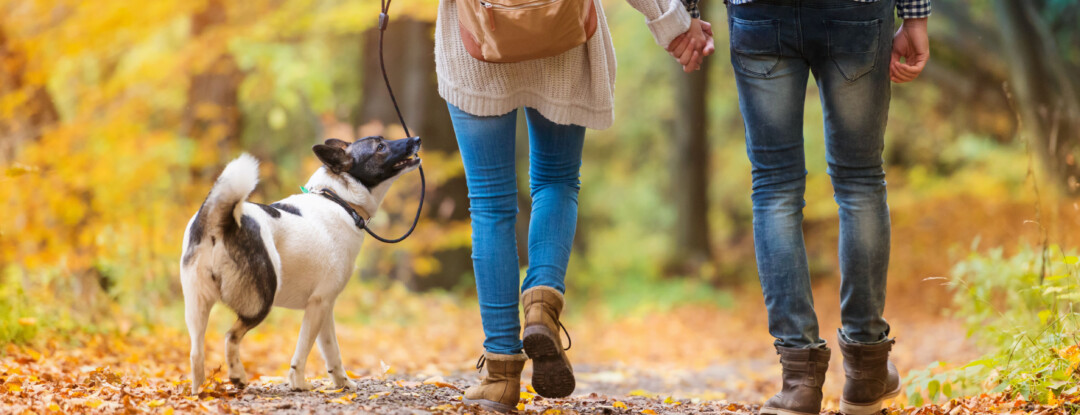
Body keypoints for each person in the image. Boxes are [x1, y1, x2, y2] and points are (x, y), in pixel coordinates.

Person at [433, 0, 715, 410]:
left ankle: (500, 377)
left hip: (475, 41)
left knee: (491, 204)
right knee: (556, 181)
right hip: (561, 38)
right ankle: (542, 304)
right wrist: (673, 23)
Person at [723, 0, 930, 414]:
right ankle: (867, 369)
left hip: (759, 15)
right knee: (860, 183)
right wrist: (915, 14)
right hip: (854, 10)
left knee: (774, 187)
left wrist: (684, 15)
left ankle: (799, 381)